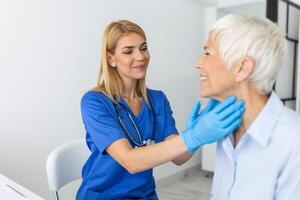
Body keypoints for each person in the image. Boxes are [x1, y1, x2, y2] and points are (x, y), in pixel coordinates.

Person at [76, 20, 244, 200]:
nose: (140, 57)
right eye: (128, 51)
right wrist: (194, 136)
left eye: (143, 48)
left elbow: (178, 158)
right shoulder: (95, 101)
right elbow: (130, 161)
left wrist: (195, 133)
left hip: (144, 195)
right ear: (111, 59)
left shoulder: (157, 99)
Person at [194, 13, 300, 200]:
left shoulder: (293, 142)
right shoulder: (226, 129)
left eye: (207, 52)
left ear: (242, 68)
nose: (198, 63)